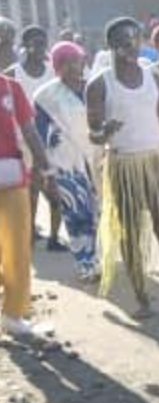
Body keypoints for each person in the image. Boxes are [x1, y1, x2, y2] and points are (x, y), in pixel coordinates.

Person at [87, 17, 159, 324]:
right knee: (131, 232)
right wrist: (104, 131)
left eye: (135, 39)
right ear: (111, 45)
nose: (130, 46)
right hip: (123, 164)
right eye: (123, 41)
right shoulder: (99, 84)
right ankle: (141, 297)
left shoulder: (156, 79)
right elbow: (93, 132)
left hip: (157, 161)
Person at [31, 41, 99, 283]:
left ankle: (98, 258)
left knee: (98, 214)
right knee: (76, 215)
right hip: (65, 165)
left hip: (98, 160)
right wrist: (46, 173)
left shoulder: (95, 88)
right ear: (57, 66)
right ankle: (86, 265)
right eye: (64, 62)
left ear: (83, 62)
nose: (71, 66)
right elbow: (38, 135)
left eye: (75, 61)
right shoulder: (45, 96)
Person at [0, 62, 56, 338]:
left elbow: (29, 130)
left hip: (11, 177)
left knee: (18, 246)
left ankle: (13, 313)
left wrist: (46, 167)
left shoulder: (12, 87)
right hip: (11, 175)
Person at [6, 25, 60, 249]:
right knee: (31, 191)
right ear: (26, 46)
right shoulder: (13, 73)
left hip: (48, 139)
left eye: (43, 43)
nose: (41, 48)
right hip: (21, 141)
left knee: (53, 189)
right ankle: (29, 235)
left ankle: (53, 239)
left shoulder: (52, 71)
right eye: (36, 43)